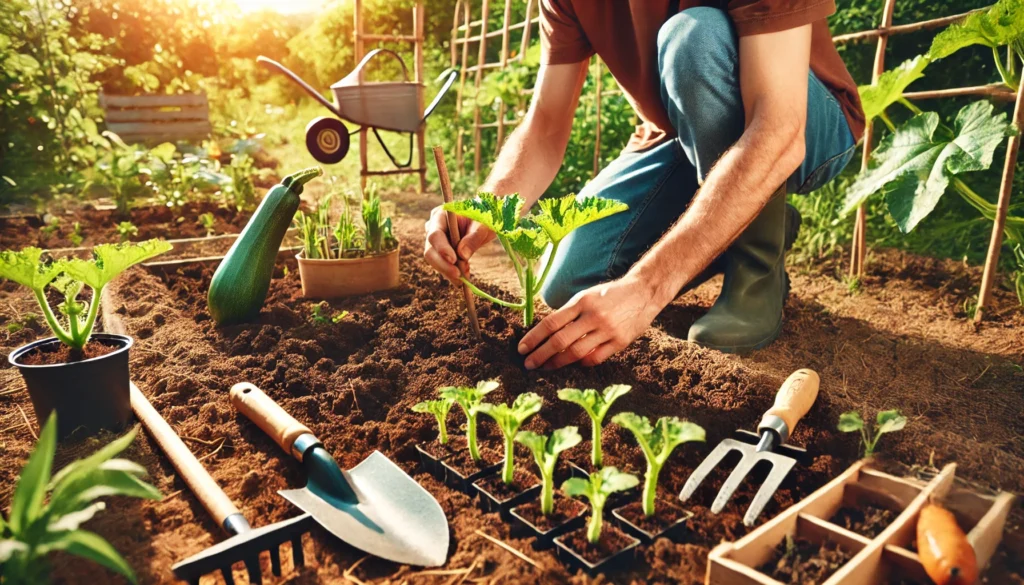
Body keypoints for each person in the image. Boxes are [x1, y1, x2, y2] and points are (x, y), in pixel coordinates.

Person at [424, 1, 863, 370]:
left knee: (693, 38)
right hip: (675, 135)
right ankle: (751, 215)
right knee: (566, 290)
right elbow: (544, 127)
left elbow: (780, 130)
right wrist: (484, 209)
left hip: (803, 120)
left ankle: (757, 268)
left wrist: (647, 289)